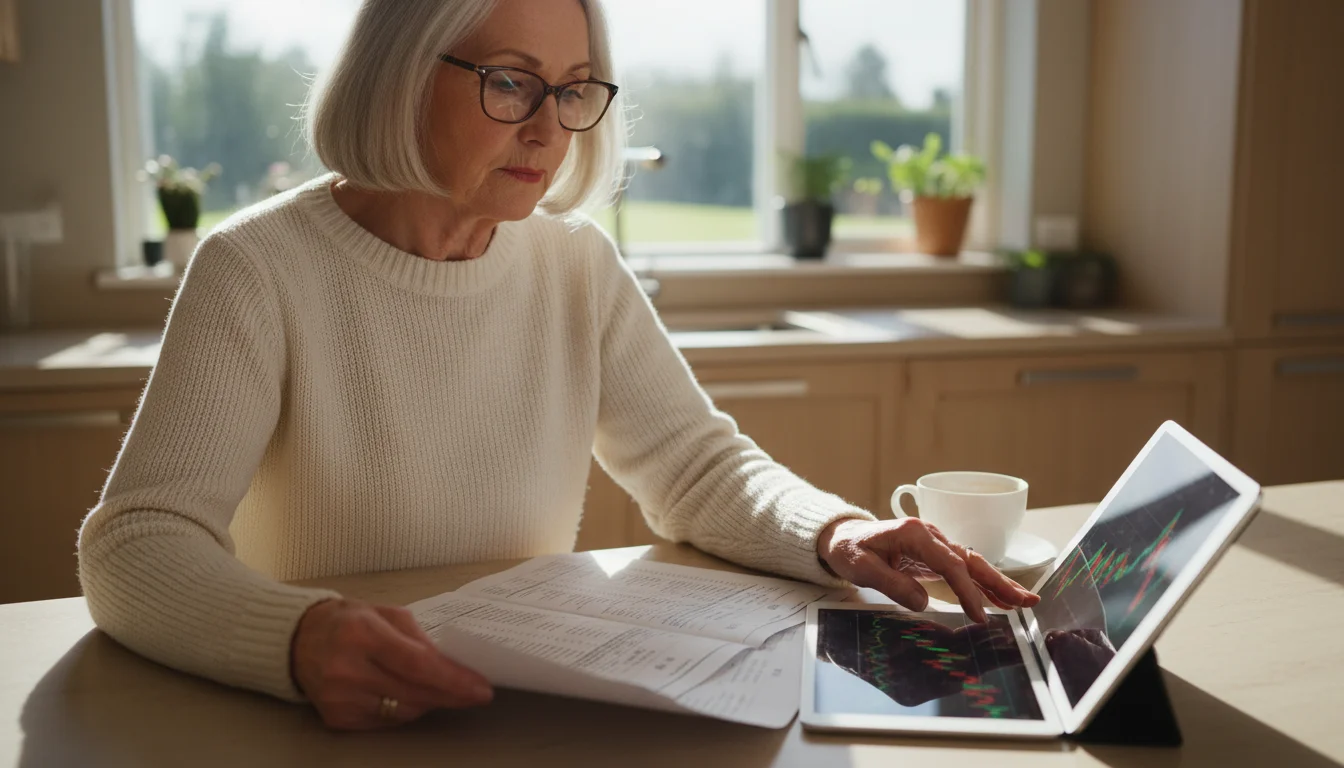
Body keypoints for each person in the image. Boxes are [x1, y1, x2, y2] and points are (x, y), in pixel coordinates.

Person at [78, 0, 1039, 731]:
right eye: (509, 80)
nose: (548, 127)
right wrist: (294, 639)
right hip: (338, 721)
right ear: (399, 73)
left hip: (509, 712)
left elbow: (695, 467)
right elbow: (136, 543)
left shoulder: (572, 263)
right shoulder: (256, 269)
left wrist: (835, 531)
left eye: (573, 87)